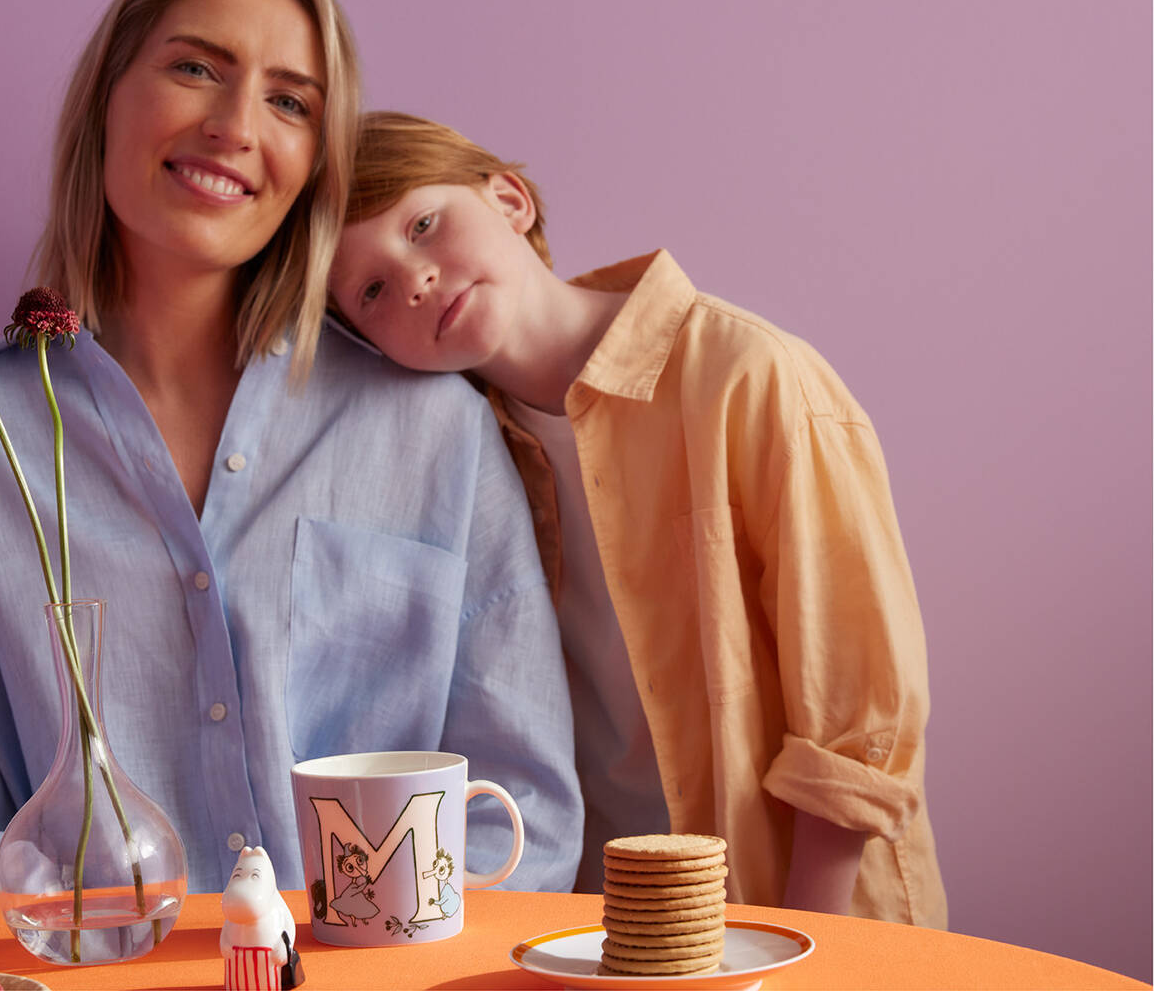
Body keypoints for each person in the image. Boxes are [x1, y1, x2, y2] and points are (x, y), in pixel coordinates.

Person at [0, 0, 582, 909]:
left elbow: (521, 822)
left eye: (288, 102)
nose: (235, 126)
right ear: (108, 95)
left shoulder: (436, 431)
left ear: (313, 162)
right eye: (196, 68)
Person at [327, 111, 947, 927]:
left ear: (510, 199)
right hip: (604, 925)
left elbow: (859, 718)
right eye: (371, 290)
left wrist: (805, 945)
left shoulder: (746, 377)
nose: (414, 279)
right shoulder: (461, 462)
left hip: (800, 920)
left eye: (424, 224)